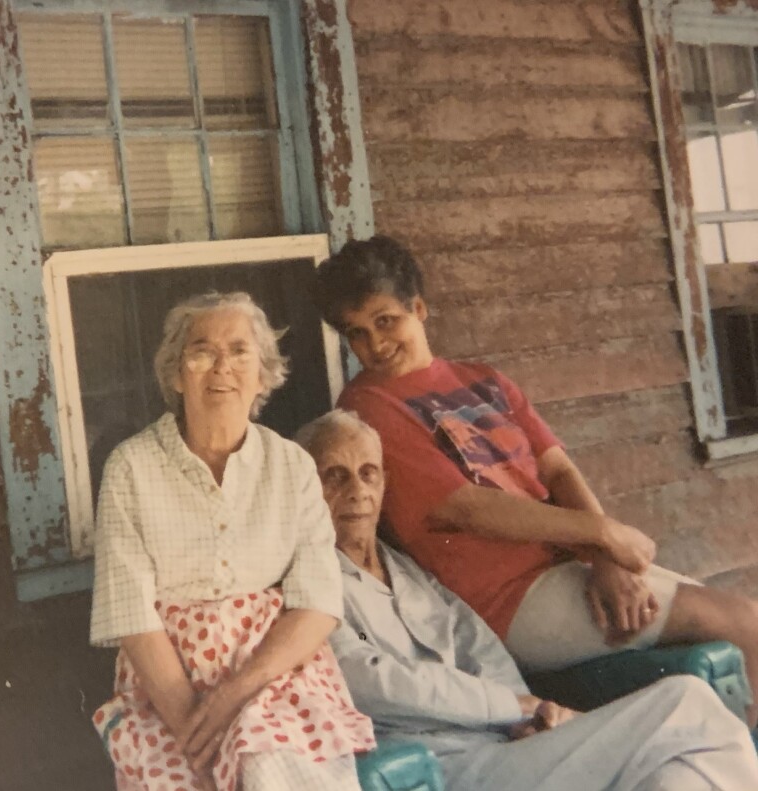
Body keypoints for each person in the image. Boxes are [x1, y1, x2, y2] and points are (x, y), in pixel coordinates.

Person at [313, 235, 758, 727]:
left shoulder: (480, 379)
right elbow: (465, 506)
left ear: (418, 308)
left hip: (567, 569)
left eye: (385, 321)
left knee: (743, 625)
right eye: (356, 334)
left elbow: (558, 470)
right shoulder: (370, 405)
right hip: (504, 599)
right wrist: (601, 534)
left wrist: (605, 554)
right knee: (739, 622)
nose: (374, 345)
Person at [296, 409, 758, 791]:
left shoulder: (406, 571)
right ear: (305, 487)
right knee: (687, 703)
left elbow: (476, 642)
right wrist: (514, 707)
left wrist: (528, 713)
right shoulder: (309, 581)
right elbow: (377, 682)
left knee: (676, 776)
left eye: (368, 473)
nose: (357, 490)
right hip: (443, 766)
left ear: (383, 484)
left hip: (507, 748)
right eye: (334, 476)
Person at [89, 292, 374, 791]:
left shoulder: (291, 466)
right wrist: (193, 729)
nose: (222, 367)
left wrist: (233, 695)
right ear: (177, 375)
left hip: (273, 675)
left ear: (263, 373)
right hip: (167, 687)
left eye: (240, 352)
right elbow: (129, 611)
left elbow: (318, 602)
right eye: (202, 352)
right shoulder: (131, 467)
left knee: (273, 770)